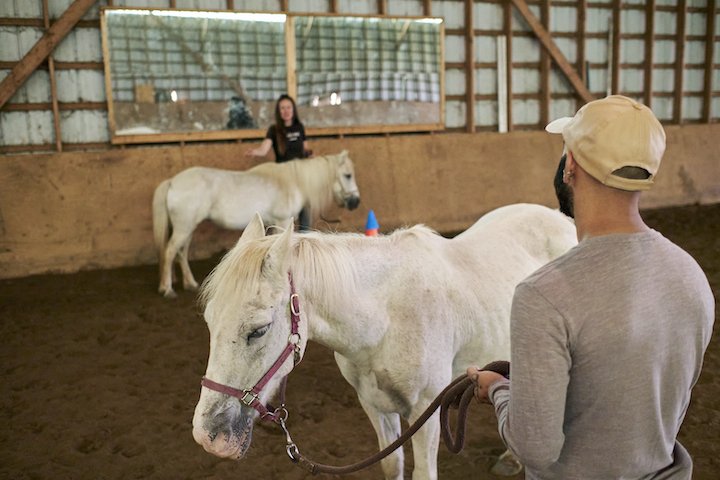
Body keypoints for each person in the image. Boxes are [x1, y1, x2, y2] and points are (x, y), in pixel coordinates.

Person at [467, 95, 715, 479]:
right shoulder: (691, 276)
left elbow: (536, 447)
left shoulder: (543, 296)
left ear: (571, 166)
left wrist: (499, 389)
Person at [246, 94, 313, 230]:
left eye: (288, 107)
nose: (286, 111)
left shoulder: (299, 127)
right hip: (283, 177)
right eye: (282, 108)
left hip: (300, 175)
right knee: (286, 212)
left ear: (293, 110)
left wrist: (311, 154)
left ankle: (305, 235)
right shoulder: (274, 130)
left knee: (306, 206)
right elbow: (264, 149)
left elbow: (305, 148)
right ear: (279, 111)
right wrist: (256, 152)